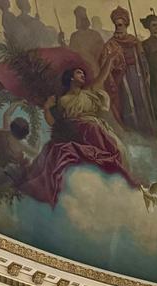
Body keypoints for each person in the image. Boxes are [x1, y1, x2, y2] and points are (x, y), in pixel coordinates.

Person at [20, 58, 135, 206]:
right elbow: (56, 123)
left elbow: (102, 76)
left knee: (118, 151)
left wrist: (110, 59)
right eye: (79, 73)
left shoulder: (88, 92)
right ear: (71, 78)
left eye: (83, 74)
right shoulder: (62, 100)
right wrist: (47, 108)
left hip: (94, 130)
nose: (83, 75)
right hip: (74, 131)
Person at [99, 6, 156, 135]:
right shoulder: (110, 44)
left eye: (121, 25)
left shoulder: (134, 41)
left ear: (126, 25)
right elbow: (104, 63)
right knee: (128, 104)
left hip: (138, 75)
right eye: (116, 25)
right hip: (122, 79)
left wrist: (146, 71)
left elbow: (142, 58)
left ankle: (147, 131)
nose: (119, 27)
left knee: (141, 101)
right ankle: (134, 132)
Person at [68, 6, 105, 71]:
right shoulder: (74, 36)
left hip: (97, 67)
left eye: (85, 18)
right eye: (82, 19)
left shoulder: (95, 34)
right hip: (82, 68)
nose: (84, 20)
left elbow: (102, 50)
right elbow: (72, 53)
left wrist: (94, 61)